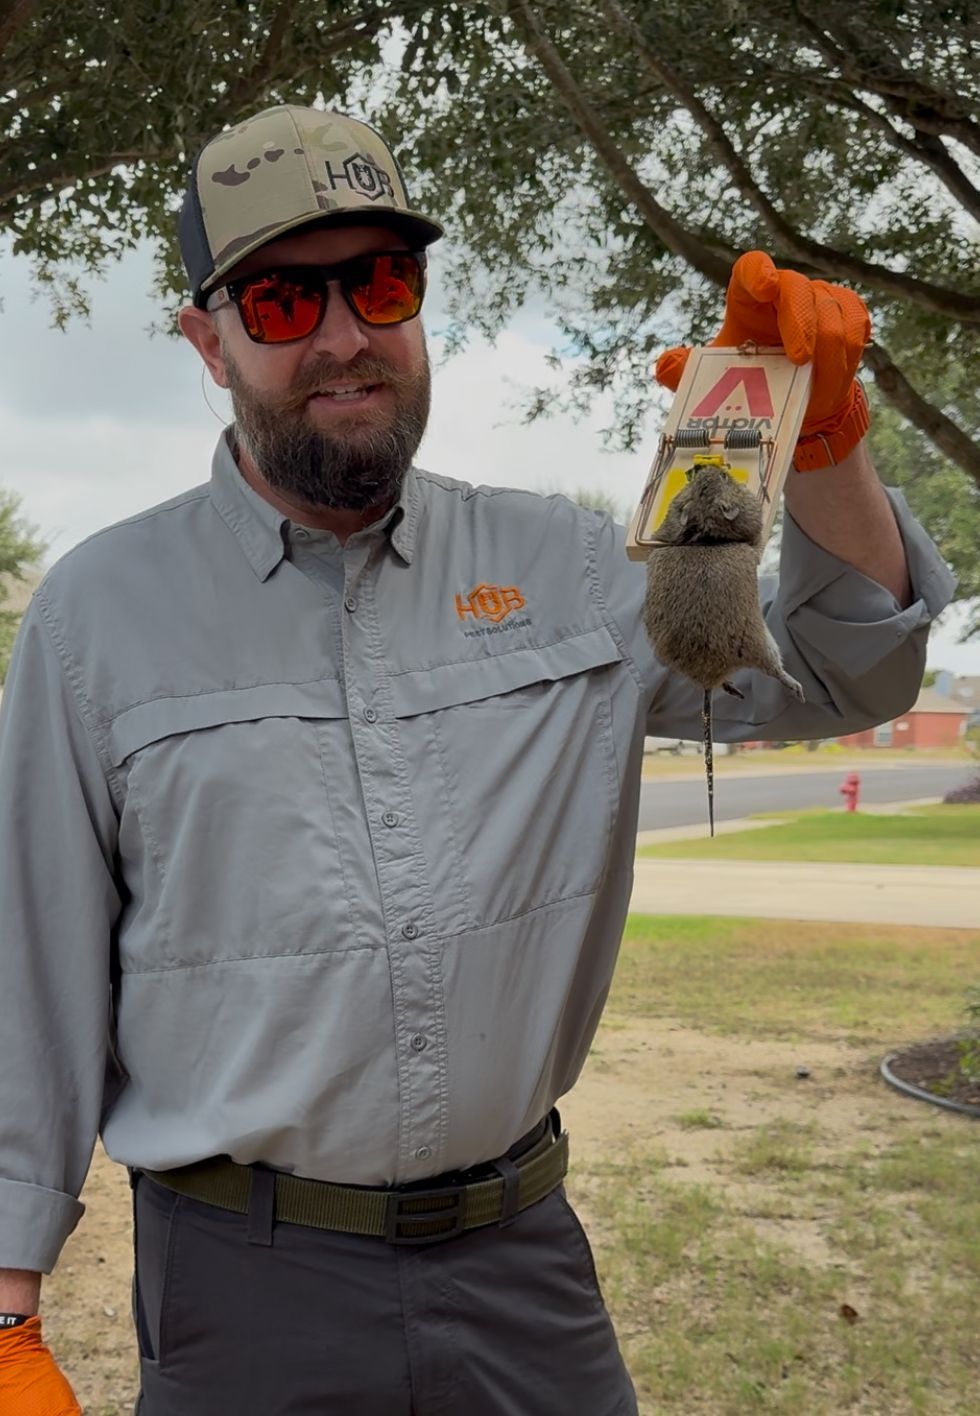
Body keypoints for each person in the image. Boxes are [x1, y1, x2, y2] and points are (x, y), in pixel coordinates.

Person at [0, 104, 954, 1416]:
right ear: (206, 341)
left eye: (379, 283)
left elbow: (847, 673)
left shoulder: (560, 568)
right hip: (244, 1286)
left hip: (523, 1270)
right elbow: (32, 958)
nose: (342, 336)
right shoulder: (98, 614)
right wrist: (5, 1304)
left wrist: (803, 429)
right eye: (282, 300)